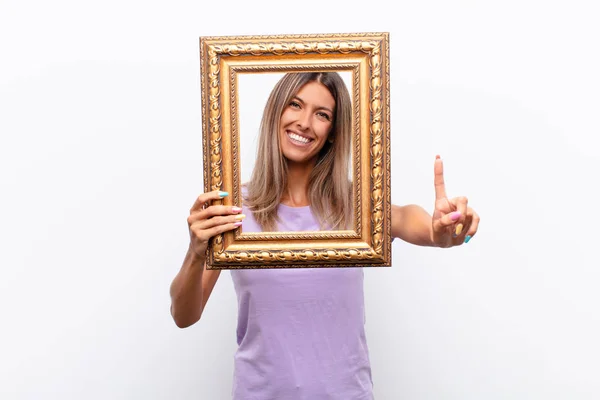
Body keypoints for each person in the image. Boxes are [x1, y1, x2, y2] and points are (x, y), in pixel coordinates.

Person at [170, 72, 480, 399]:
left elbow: (405, 218)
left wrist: (440, 230)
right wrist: (195, 252)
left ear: (332, 132)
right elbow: (183, 315)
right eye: (295, 105)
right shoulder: (234, 210)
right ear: (276, 111)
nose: (304, 123)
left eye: (322, 114)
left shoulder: (355, 208)